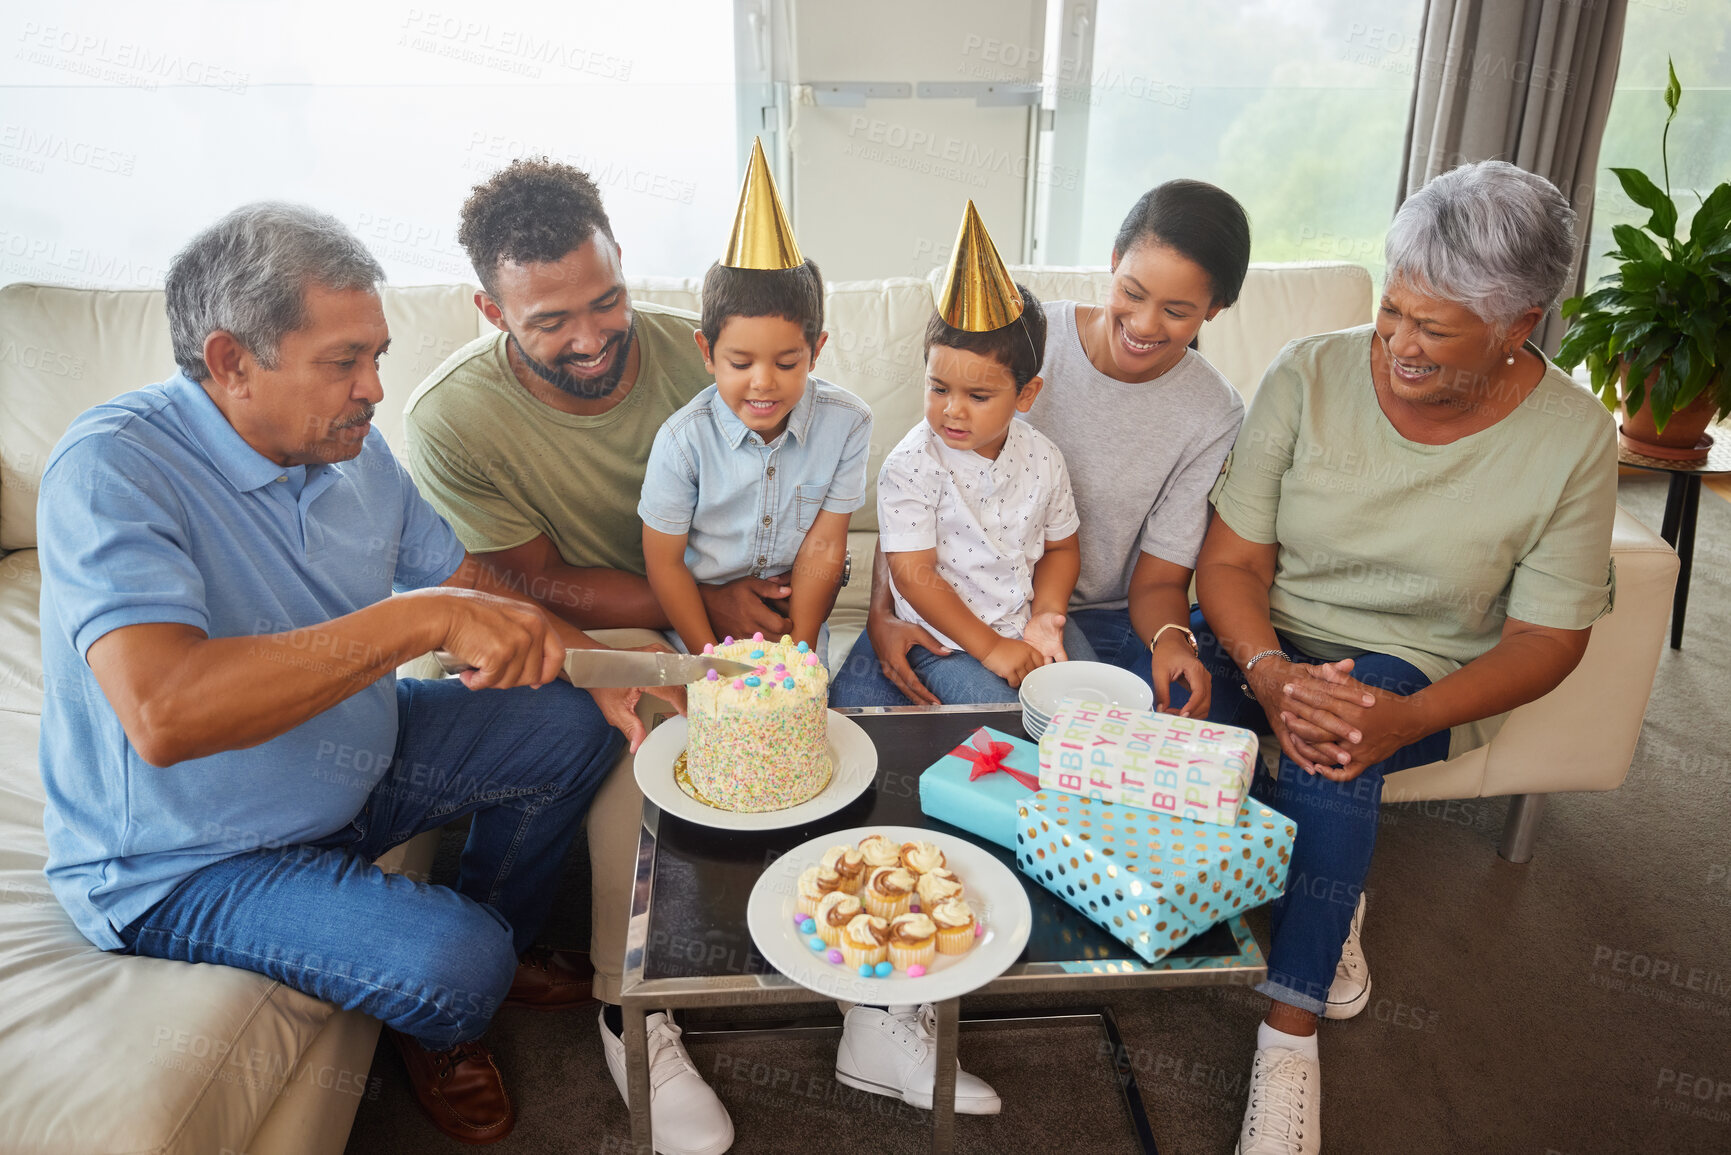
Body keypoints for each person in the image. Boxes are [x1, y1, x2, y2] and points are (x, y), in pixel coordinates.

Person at [36, 204, 678, 1146]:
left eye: (376, 354)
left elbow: (469, 583)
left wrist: (591, 664)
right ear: (229, 361)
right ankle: (451, 996)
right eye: (344, 362)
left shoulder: (348, 447)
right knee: (459, 966)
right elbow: (165, 711)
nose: (375, 388)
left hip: (352, 762)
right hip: (190, 860)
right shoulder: (114, 469)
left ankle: (476, 932)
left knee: (568, 718)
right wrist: (412, 620)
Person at [1192, 160, 1616, 1155]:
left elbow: (1551, 639)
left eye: (1433, 328)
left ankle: (1288, 1039)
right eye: (1392, 312)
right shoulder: (1310, 370)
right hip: (1268, 641)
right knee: (1165, 741)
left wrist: (1410, 717)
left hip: (1420, 678)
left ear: (1519, 325)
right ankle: (1328, 904)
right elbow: (1233, 559)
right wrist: (1266, 673)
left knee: (1345, 740)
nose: (1398, 344)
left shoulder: (1573, 440)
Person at [403, 159, 743, 1154]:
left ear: (625, 267)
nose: (590, 338)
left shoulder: (698, 352)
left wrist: (719, 600)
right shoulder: (449, 417)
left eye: (607, 301)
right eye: (549, 321)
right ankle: (628, 1010)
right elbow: (531, 581)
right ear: (487, 308)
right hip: (556, 608)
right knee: (648, 713)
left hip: (676, 585)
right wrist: (686, 608)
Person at [833, 179, 1252, 716]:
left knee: (1096, 725)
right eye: (1132, 292)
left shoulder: (1210, 413)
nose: (1144, 325)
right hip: (943, 619)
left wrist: (1158, 636)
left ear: (1213, 308)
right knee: (857, 722)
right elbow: (912, 531)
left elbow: (1152, 576)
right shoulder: (1023, 338)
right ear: (1115, 260)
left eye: (1176, 310)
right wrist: (881, 612)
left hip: (1076, 615)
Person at [640, 152, 870, 658]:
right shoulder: (683, 442)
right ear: (707, 352)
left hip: (796, 619)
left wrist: (802, 655)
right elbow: (665, 563)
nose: (763, 384)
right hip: (700, 624)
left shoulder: (848, 424)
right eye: (740, 363)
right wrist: (710, 661)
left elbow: (824, 546)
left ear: (816, 350)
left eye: (787, 363)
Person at [868, 203, 1082, 703]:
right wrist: (990, 648)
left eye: (978, 397)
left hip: (1022, 621)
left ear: (1026, 395)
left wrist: (1046, 619)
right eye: (938, 388)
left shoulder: (1044, 458)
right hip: (945, 640)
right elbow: (914, 575)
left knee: (1086, 705)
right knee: (1006, 716)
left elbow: (1062, 549)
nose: (953, 412)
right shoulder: (910, 465)